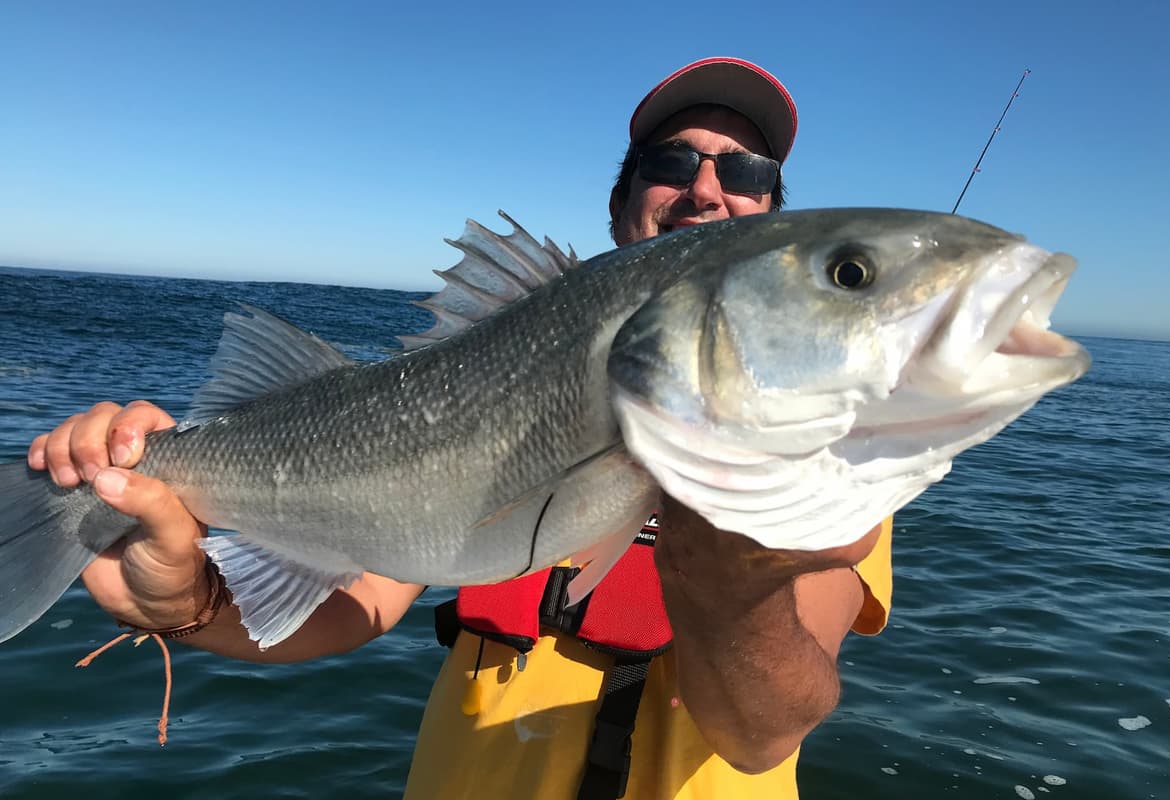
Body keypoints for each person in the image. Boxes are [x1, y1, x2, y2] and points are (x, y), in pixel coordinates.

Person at [27, 57, 892, 799]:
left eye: (745, 171)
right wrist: (184, 602)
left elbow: (765, 732)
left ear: (771, 219)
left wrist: (730, 554)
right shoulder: (528, 345)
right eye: (671, 161)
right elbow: (357, 608)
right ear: (621, 200)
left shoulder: (840, 451)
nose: (704, 189)